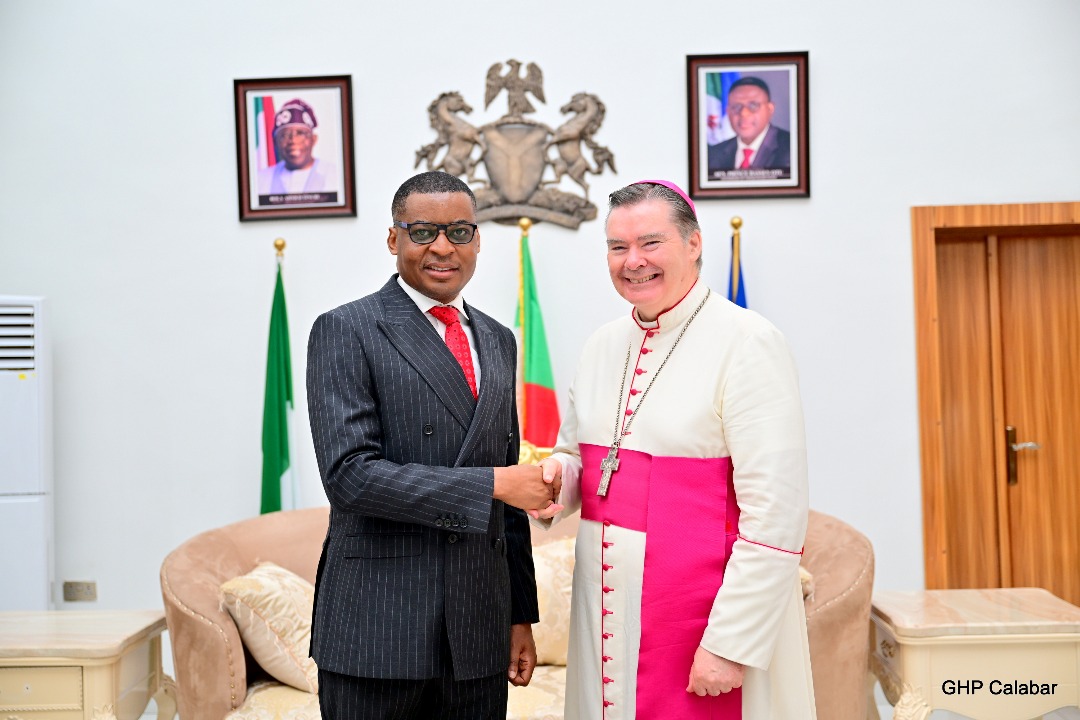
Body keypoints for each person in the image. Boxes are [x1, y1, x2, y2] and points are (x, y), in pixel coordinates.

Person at [538, 180, 815, 718]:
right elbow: (580, 460)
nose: (633, 261)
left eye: (650, 243)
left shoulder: (748, 342)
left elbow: (776, 516)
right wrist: (549, 481)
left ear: (693, 244)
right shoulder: (602, 345)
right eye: (617, 247)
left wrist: (730, 643)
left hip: (703, 621)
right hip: (605, 614)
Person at [306, 171, 562, 719]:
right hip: (378, 627)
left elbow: (509, 506)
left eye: (459, 232)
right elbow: (350, 476)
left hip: (477, 630)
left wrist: (519, 614)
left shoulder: (498, 339)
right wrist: (492, 484)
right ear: (393, 238)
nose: (443, 247)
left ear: (477, 240)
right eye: (423, 232)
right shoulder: (347, 328)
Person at [707, 77, 791, 176]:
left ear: (770, 109)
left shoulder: (794, 148)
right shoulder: (712, 155)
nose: (744, 113)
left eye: (753, 105)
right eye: (736, 106)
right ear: (728, 112)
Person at [257, 98, 338, 196]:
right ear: (275, 142)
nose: (293, 140)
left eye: (300, 133)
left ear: (313, 139)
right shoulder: (259, 180)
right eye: (285, 135)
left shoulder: (336, 176)